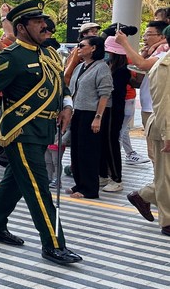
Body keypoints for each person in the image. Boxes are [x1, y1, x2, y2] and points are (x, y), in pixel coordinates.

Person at [0, 0, 82, 265]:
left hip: (43, 130)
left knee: (13, 182)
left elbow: (61, 84)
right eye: (37, 22)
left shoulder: (48, 54)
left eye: (43, 21)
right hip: (21, 132)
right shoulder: (10, 57)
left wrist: (68, 105)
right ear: (22, 27)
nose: (44, 25)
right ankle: (54, 244)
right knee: (38, 189)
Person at [127, 24, 170, 235]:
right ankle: (167, 221)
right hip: (165, 128)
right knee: (166, 176)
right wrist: (167, 134)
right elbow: (163, 104)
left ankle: (142, 195)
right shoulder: (164, 66)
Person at [66, 36, 112, 199]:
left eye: (82, 45)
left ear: (93, 48)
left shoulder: (102, 67)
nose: (78, 48)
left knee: (89, 152)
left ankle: (90, 189)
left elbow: (105, 94)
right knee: (77, 150)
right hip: (77, 112)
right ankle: (80, 184)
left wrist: (98, 117)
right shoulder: (80, 67)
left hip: (92, 113)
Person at [99, 36, 130, 193]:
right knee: (104, 141)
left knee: (111, 142)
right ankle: (103, 174)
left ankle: (116, 178)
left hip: (114, 110)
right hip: (107, 110)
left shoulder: (121, 70)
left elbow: (113, 90)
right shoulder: (108, 66)